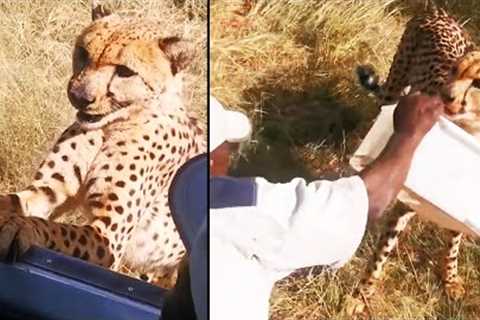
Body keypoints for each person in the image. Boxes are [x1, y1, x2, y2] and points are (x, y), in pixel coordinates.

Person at [209, 94, 444, 319]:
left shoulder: (182, 201)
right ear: (208, 160)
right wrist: (409, 133)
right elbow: (368, 202)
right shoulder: (242, 212)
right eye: (227, 147)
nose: (232, 153)